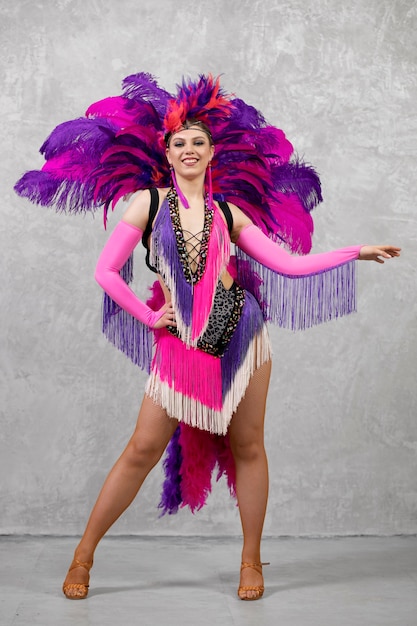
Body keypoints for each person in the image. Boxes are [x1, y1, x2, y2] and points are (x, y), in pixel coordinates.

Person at [14, 74, 400, 602]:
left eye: (199, 142)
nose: (190, 149)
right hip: (182, 346)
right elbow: (106, 272)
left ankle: (249, 561)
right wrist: (150, 319)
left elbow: (289, 264)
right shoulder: (146, 205)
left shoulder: (228, 213)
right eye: (180, 143)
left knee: (249, 447)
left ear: (212, 152)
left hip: (241, 340)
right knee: (141, 449)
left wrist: (355, 251)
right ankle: (83, 553)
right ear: (167, 154)